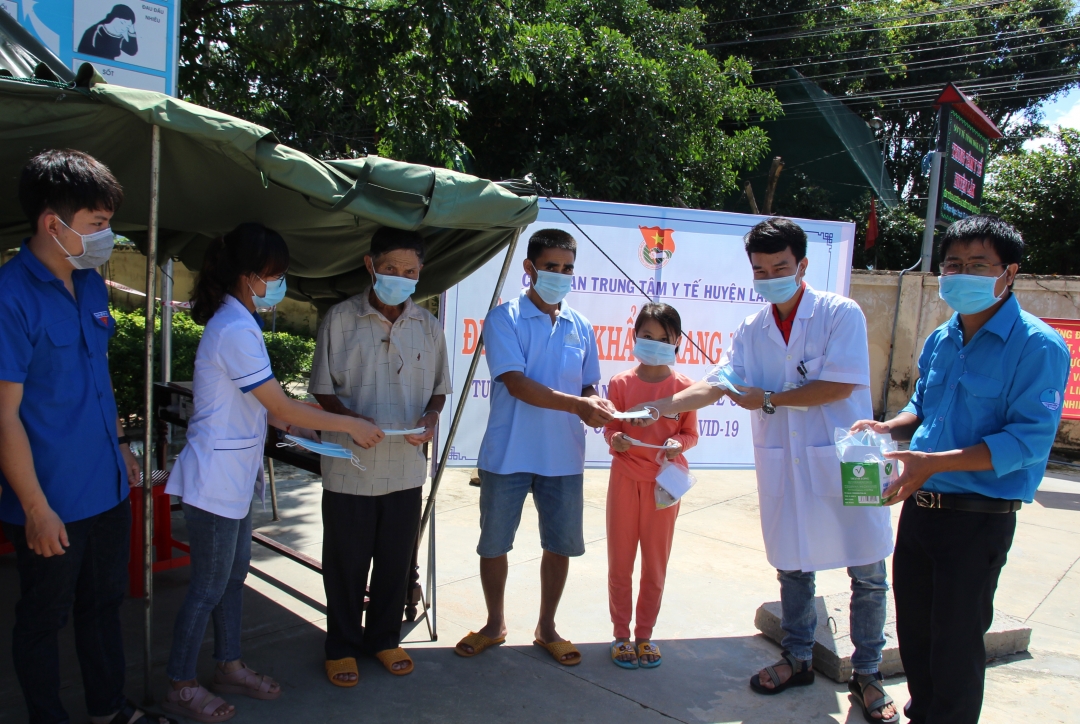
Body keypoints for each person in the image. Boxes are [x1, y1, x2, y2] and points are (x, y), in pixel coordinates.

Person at [632, 218, 897, 722]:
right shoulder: (752, 329)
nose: (770, 276)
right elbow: (719, 384)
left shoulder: (841, 313)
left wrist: (770, 400)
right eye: (760, 269)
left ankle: (868, 673)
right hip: (788, 462)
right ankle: (797, 656)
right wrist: (661, 406)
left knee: (867, 569)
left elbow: (839, 386)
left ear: (802, 265)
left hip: (849, 456)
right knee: (793, 561)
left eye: (780, 267)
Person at [850, 215, 1069, 724]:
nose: (961, 274)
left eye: (978, 265)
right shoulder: (942, 338)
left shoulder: (1038, 346)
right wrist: (888, 427)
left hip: (977, 518)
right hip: (920, 508)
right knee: (917, 637)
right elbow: (924, 409)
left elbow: (1027, 442)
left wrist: (932, 464)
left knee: (955, 646)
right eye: (953, 264)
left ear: (1008, 272)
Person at [163, 224, 384, 722]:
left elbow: (277, 410)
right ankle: (179, 682)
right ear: (248, 277)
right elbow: (279, 405)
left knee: (234, 577)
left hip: (235, 476)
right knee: (208, 587)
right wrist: (345, 423)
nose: (280, 285)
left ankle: (229, 664)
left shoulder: (242, 322)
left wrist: (329, 417)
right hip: (215, 479)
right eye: (275, 276)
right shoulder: (235, 329)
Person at [0, 150, 173, 724]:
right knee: (42, 621)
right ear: (55, 224)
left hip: (106, 485)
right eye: (98, 224)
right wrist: (34, 507)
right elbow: (4, 417)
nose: (108, 237)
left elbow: (96, 380)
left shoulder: (92, 286)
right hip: (50, 500)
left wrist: (121, 445)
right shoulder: (10, 297)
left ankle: (109, 710)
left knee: (104, 607)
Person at [454, 228, 616, 665]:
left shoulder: (580, 324)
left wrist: (597, 404)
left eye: (567, 269)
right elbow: (517, 383)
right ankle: (494, 624)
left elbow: (587, 384)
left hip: (563, 456)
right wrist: (580, 404)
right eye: (551, 267)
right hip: (507, 454)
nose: (560, 276)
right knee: (494, 545)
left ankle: (547, 627)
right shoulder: (503, 318)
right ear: (529, 268)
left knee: (559, 545)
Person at [309, 227, 450, 685]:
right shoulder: (340, 318)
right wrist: (350, 421)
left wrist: (430, 420)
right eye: (391, 269)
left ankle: (385, 639)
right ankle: (342, 646)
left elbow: (438, 391)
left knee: (394, 561)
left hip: (407, 467)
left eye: (410, 271)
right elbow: (322, 390)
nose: (400, 277)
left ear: (420, 273)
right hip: (350, 466)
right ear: (371, 265)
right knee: (346, 563)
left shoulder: (428, 325)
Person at [603, 303, 698, 670]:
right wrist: (616, 440)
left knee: (655, 564)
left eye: (664, 339)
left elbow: (690, 434)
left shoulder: (686, 389)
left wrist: (679, 446)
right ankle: (620, 635)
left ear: (677, 342)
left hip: (665, 486)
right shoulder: (620, 383)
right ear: (635, 337)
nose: (655, 344)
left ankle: (645, 634)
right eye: (648, 337)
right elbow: (611, 427)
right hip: (625, 480)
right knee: (620, 562)